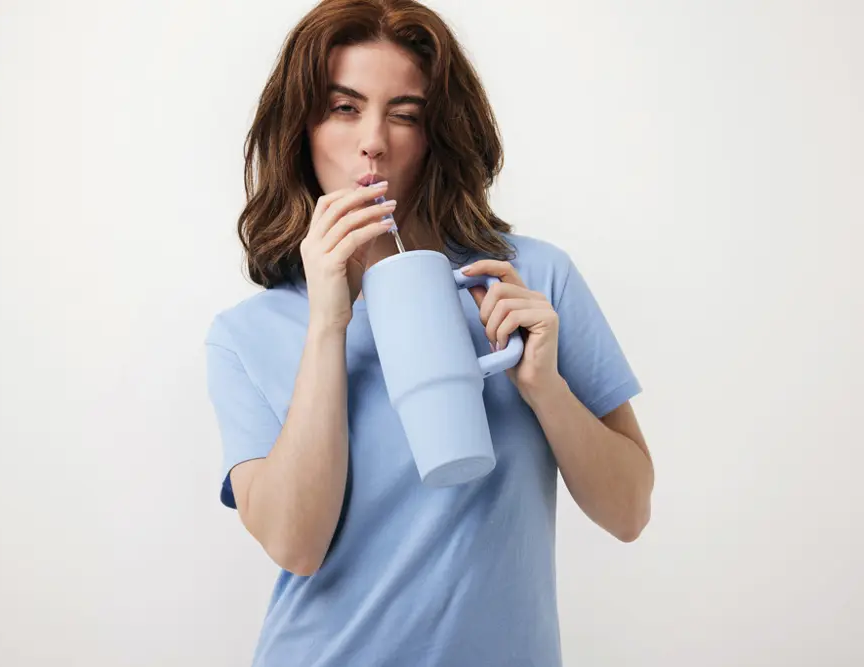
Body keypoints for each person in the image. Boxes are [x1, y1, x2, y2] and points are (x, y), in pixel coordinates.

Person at [204, 0, 654, 664]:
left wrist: (545, 389)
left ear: (436, 132)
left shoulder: (529, 281)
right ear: (301, 126)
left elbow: (630, 511)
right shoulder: (246, 335)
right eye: (344, 107)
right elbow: (296, 544)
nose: (374, 141)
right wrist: (329, 321)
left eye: (406, 114)